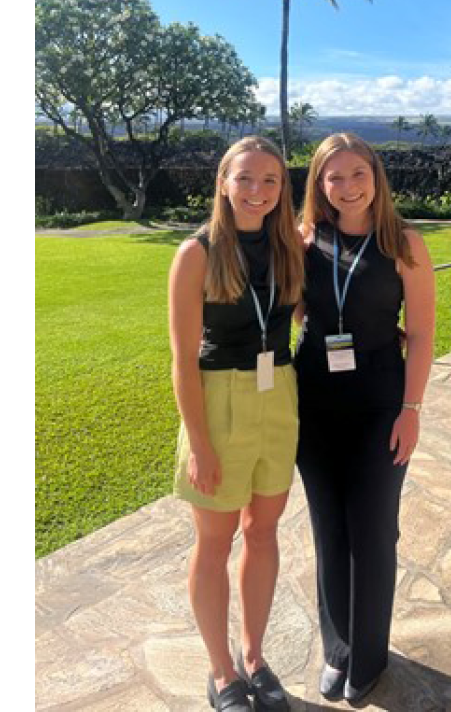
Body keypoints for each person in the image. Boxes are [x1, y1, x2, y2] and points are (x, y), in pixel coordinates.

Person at [294, 133, 436, 703]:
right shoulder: (305, 240)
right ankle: (340, 649)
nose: (347, 187)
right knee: (329, 529)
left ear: (376, 177)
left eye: (358, 174)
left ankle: (369, 658)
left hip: (381, 402)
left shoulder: (404, 243)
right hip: (314, 403)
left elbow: (422, 335)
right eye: (334, 177)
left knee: (373, 530)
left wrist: (412, 410)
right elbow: (297, 309)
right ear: (319, 184)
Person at [168, 136, 304, 712]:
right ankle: (221, 672)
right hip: (219, 401)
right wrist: (198, 442)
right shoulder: (196, 253)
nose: (257, 191)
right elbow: (181, 359)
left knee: (264, 532)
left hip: (280, 396)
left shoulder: (287, 247)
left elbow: (308, 310)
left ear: (282, 190)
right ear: (223, 181)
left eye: (270, 181)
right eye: (245, 178)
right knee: (215, 538)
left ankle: (254, 657)